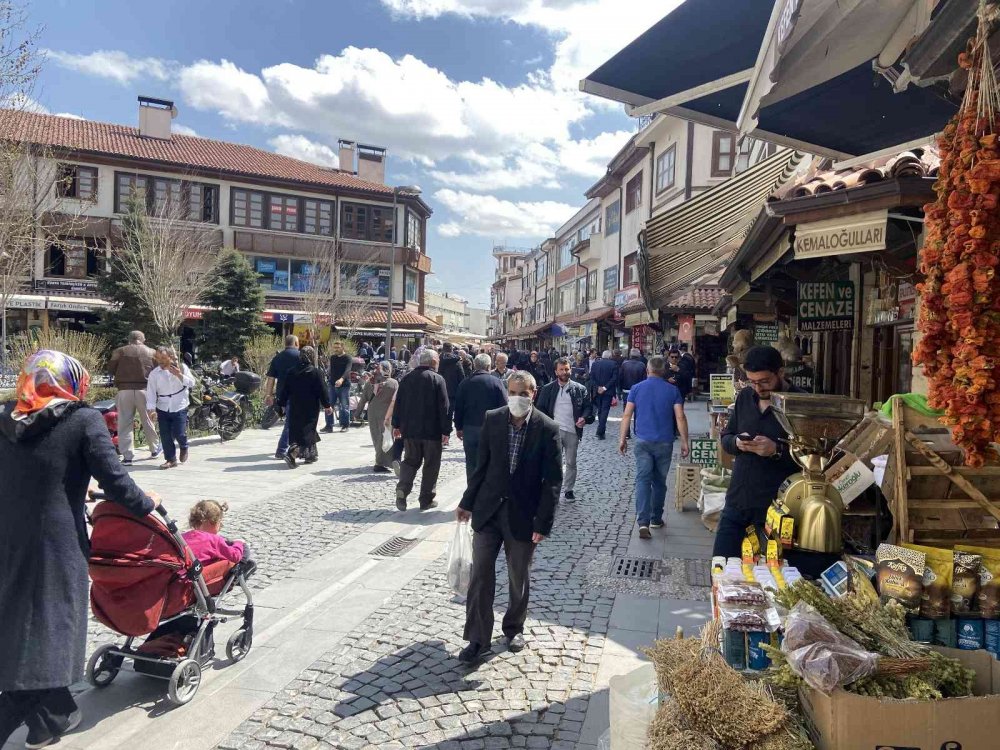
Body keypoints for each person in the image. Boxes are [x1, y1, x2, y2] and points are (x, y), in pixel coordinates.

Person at [0, 350, 158, 749]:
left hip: (9, 535)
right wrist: (147, 502)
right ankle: (36, 716)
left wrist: (72, 482)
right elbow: (117, 481)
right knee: (53, 622)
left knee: (21, 619)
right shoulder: (81, 418)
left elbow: (33, 468)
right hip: (56, 540)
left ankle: (50, 719)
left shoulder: (6, 416)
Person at [456, 371, 562, 664]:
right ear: (507, 393)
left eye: (523, 393)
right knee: (480, 576)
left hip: (523, 516)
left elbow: (553, 481)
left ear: (533, 393)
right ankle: (478, 639)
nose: (517, 398)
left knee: (518, 576)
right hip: (488, 511)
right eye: (513, 392)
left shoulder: (547, 428)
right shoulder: (493, 418)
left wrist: (543, 522)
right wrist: (467, 502)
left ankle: (514, 628)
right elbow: (481, 466)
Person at [713, 346, 805, 558]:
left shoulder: (801, 403)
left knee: (769, 577)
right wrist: (737, 442)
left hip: (777, 509)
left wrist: (776, 450)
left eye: (764, 381)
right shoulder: (745, 397)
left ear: (780, 373)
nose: (758, 388)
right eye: (752, 382)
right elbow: (726, 438)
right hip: (738, 500)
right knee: (720, 566)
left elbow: (812, 458)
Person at [618, 356, 690, 538]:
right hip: (664, 442)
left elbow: (627, 415)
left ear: (648, 370)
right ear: (664, 371)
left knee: (643, 480)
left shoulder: (636, 389)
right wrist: (684, 441)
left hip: (642, 440)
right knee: (659, 481)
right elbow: (680, 417)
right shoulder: (673, 390)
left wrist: (622, 438)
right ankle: (656, 518)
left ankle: (643, 522)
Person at [392, 348, 451, 511]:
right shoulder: (437, 379)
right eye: (437, 361)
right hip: (432, 432)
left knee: (410, 461)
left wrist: (396, 425)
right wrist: (446, 431)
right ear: (433, 362)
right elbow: (444, 407)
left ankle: (403, 489)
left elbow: (399, 403)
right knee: (431, 465)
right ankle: (426, 499)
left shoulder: (407, 378)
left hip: (410, 431)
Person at [535, 357, 593, 502]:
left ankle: (568, 490)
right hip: (553, 431)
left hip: (573, 431)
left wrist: (584, 418)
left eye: (567, 369)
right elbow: (539, 410)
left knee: (571, 462)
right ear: (556, 372)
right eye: (561, 369)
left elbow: (588, 408)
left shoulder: (580, 389)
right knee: (552, 462)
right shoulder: (548, 389)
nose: (564, 372)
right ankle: (552, 488)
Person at [106, 329, 160, 466]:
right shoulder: (152, 352)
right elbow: (157, 371)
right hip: (144, 390)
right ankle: (154, 449)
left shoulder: (119, 351)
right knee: (147, 420)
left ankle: (128, 456)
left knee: (124, 422)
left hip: (124, 390)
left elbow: (111, 369)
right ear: (143, 339)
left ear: (129, 339)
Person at [277, 346, 333, 468]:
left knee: (298, 429)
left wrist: (281, 404)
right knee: (307, 431)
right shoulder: (316, 372)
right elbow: (322, 390)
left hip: (295, 405)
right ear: (312, 356)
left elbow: (285, 390)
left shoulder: (291, 371)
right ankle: (292, 454)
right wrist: (327, 405)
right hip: (311, 407)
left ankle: (310, 454)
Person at [454, 353, 508, 481]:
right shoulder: (496, 383)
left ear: (474, 365)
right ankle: (486, 493)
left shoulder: (465, 383)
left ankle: (472, 492)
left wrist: (458, 427)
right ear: (489, 366)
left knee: (471, 463)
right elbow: (504, 407)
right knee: (490, 461)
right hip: (491, 428)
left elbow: (458, 407)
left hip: (470, 428)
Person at [146, 347, 196, 470]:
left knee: (179, 432)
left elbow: (192, 383)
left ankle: (184, 446)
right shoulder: (154, 373)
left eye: (163, 358)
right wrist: (151, 409)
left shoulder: (182, 367)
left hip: (180, 405)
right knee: (165, 435)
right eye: (158, 358)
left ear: (170, 357)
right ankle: (170, 460)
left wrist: (179, 375)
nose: (160, 361)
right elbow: (151, 392)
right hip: (162, 406)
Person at [356, 361, 399, 473]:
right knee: (385, 437)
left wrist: (357, 413)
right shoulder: (393, 383)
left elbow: (362, 401)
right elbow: (397, 400)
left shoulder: (369, 383)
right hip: (387, 414)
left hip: (372, 413)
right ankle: (381, 463)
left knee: (376, 436)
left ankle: (380, 461)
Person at [264, 335, 301, 459]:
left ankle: (296, 448)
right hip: (297, 394)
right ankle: (281, 450)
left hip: (282, 394)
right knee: (290, 423)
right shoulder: (300, 356)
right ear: (296, 343)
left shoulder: (278, 357)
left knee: (292, 421)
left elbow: (271, 379)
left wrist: (268, 395)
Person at [182, 500, 250, 567]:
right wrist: (239, 543)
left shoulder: (183, 537)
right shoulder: (215, 540)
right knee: (245, 552)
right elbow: (235, 556)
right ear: (215, 522)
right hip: (204, 574)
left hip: (183, 572)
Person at [588, 350, 619, 439]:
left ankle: (600, 430)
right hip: (608, 391)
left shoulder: (595, 364)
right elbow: (614, 378)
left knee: (600, 410)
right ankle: (600, 431)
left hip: (597, 391)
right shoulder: (614, 364)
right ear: (610, 356)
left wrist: (598, 387)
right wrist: (605, 388)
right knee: (604, 410)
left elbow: (591, 377)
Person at [324, 339, 353, 433]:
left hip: (344, 385)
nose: (336, 349)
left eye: (338, 347)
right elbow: (331, 371)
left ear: (342, 347)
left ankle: (345, 425)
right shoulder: (333, 358)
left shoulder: (348, 358)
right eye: (334, 347)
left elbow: (347, 370)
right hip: (332, 385)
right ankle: (329, 425)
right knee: (329, 405)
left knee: (344, 406)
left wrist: (341, 379)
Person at [619, 348, 647, 437]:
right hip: (639, 392)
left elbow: (620, 377)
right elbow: (644, 379)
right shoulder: (642, 365)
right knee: (637, 412)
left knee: (626, 412)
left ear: (630, 355)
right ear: (638, 356)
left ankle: (627, 433)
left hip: (626, 391)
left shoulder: (624, 364)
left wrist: (619, 390)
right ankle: (636, 430)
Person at [438, 342, 465, 423]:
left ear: (443, 349)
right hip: (453, 392)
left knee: (440, 412)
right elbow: (462, 377)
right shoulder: (457, 362)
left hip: (440, 390)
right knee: (450, 413)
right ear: (452, 350)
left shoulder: (438, 360)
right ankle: (447, 431)